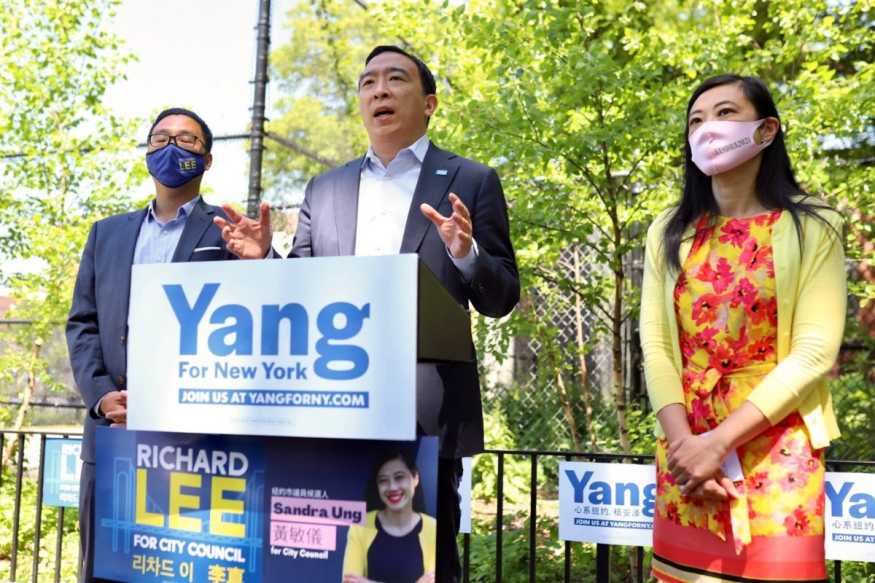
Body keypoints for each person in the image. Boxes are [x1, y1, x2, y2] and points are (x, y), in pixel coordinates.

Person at [215, 45, 519, 582]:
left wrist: (465, 253)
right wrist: (265, 258)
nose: (379, 90)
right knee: (331, 561)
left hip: (423, 414)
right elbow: (302, 293)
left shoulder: (470, 181)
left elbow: (500, 298)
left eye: (395, 79)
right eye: (368, 82)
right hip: (330, 408)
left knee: (421, 564)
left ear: (429, 103)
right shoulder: (324, 188)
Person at [640, 74, 846, 582]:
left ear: (766, 129)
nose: (708, 127)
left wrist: (720, 444)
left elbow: (815, 351)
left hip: (777, 452)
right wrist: (689, 451)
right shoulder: (669, 230)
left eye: (725, 113)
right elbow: (658, 347)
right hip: (686, 452)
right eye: (696, 119)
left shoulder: (813, 225)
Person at [66, 108, 238, 582]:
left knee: (185, 568)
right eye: (160, 138)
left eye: (185, 140)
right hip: (113, 434)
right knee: (105, 566)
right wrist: (101, 396)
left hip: (194, 441)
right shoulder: (107, 233)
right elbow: (82, 324)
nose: (170, 148)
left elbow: (264, 311)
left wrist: (263, 256)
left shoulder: (228, 230)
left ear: (206, 159)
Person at [342, 451, 437, 583]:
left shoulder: (434, 528)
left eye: (399, 477)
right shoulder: (360, 526)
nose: (392, 487)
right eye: (383, 480)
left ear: (415, 478)